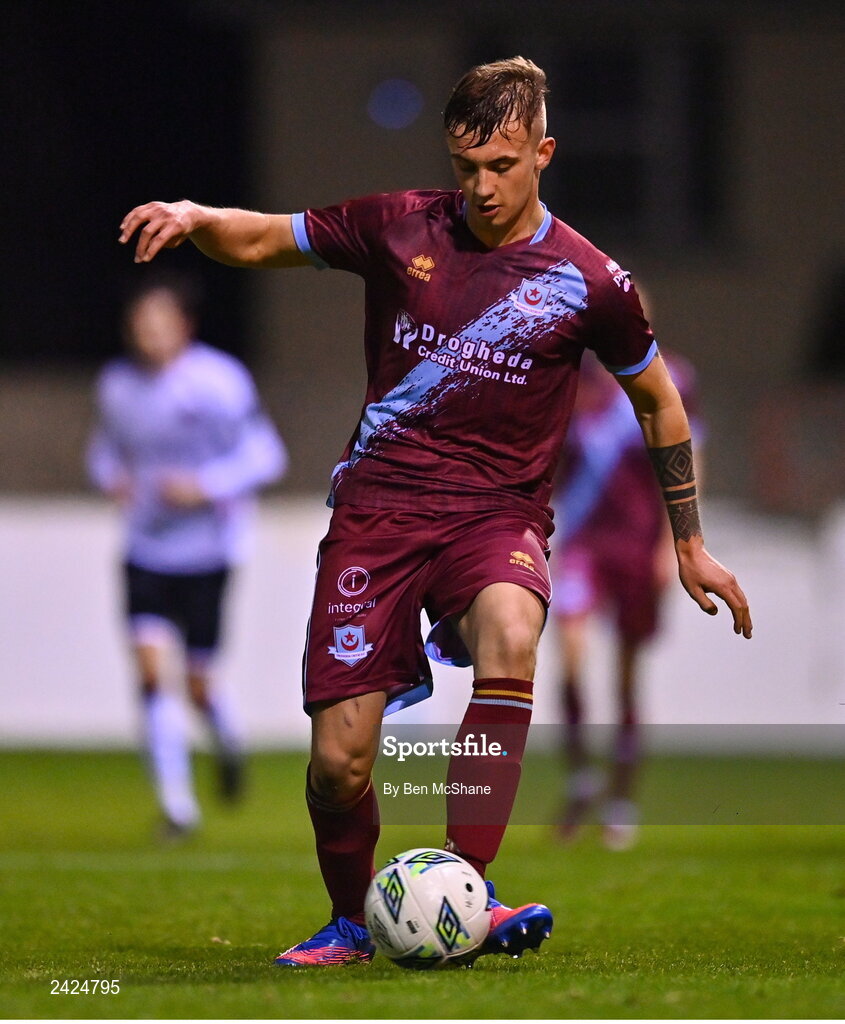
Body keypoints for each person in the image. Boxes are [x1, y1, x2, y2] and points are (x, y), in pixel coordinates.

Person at [118, 57, 752, 965]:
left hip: (496, 517)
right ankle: (349, 923)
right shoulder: (398, 225)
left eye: (501, 166)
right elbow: (261, 240)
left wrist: (687, 542)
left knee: (511, 632)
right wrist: (196, 217)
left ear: (542, 154)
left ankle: (468, 889)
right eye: (465, 167)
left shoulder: (588, 280)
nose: (481, 187)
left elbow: (659, 403)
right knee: (338, 763)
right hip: (376, 515)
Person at [87, 273, 287, 838]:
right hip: (145, 548)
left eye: (159, 320)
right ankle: (178, 808)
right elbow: (104, 451)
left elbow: (266, 455)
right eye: (139, 321)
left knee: (198, 683)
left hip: (208, 551)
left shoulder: (219, 382)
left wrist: (206, 486)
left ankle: (227, 740)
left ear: (185, 325)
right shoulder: (117, 386)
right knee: (152, 676)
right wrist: (110, 478)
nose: (148, 332)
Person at [551, 347, 703, 850]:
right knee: (570, 658)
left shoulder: (671, 377)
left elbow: (685, 458)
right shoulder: (574, 376)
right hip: (583, 544)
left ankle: (620, 800)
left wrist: (677, 543)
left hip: (639, 545)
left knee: (627, 678)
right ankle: (581, 776)